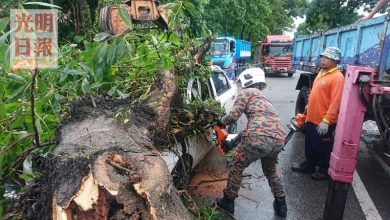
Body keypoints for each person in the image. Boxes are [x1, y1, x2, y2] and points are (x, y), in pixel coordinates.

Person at [215, 68, 287, 217]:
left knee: (237, 164)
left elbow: (233, 116)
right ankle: (281, 204)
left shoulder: (247, 92)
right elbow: (253, 129)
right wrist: (232, 143)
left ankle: (228, 201)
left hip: (258, 138)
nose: (241, 86)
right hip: (278, 140)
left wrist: (220, 122)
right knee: (271, 170)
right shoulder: (265, 101)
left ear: (247, 81)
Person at [291, 47, 344, 180]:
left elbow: (335, 102)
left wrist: (327, 121)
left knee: (322, 147)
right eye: (323, 57)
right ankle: (309, 165)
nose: (323, 60)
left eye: (327, 58)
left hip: (323, 121)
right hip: (311, 118)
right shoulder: (321, 72)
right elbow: (315, 92)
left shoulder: (337, 77)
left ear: (335, 60)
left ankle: (323, 169)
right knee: (309, 144)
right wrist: (309, 105)